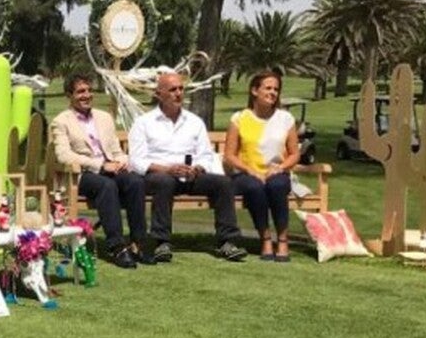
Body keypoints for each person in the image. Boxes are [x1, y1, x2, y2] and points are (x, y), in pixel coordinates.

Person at [127, 71, 247, 262]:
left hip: (190, 176)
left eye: (181, 89)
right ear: (159, 94)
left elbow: (206, 155)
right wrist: (167, 169)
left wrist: (197, 169)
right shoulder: (144, 123)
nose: (178, 93)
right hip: (158, 176)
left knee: (223, 183)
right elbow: (136, 160)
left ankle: (227, 241)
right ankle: (161, 242)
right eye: (172, 90)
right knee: (164, 182)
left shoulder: (194, 122)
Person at [49, 74, 151, 268]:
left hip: (110, 168)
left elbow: (116, 151)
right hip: (81, 174)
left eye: (89, 90)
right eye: (80, 91)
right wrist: (100, 165)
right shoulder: (61, 122)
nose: (87, 95)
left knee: (135, 182)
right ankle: (117, 246)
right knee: (107, 185)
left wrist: (122, 161)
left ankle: (138, 242)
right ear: (69, 95)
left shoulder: (104, 118)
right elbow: (63, 156)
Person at [223, 71, 299, 262]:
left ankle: (282, 240)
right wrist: (250, 170)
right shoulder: (239, 118)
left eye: (276, 89)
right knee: (254, 187)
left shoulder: (285, 119)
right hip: (246, 174)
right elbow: (229, 156)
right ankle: (265, 239)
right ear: (255, 91)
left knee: (277, 185)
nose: (273, 92)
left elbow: (294, 154)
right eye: (268, 88)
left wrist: (281, 167)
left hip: (276, 171)